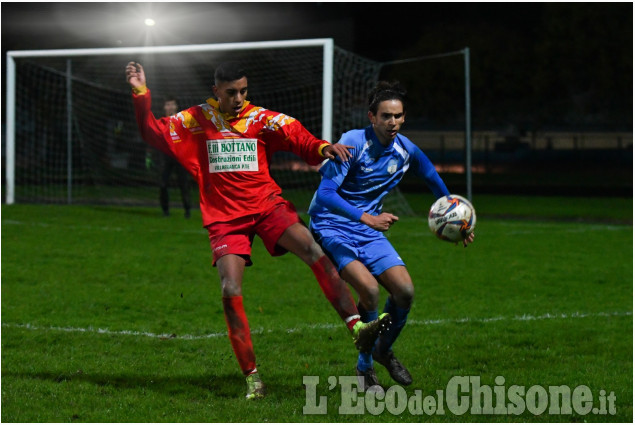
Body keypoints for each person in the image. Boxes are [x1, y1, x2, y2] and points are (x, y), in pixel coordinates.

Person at [125, 61, 391, 400]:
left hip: (266, 206)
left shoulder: (260, 118)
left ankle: (357, 327)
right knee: (229, 287)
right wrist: (140, 92)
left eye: (243, 91)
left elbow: (297, 135)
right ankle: (252, 377)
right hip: (225, 218)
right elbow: (151, 131)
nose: (239, 98)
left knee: (313, 249)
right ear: (216, 91)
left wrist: (323, 148)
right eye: (231, 92)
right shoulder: (194, 120)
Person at [308, 81, 475, 391]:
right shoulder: (353, 143)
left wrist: (456, 219)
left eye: (398, 116)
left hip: (366, 228)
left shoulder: (405, 148)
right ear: (372, 117)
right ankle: (365, 368)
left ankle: (383, 350)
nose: (393, 122)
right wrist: (367, 217)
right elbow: (326, 195)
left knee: (405, 292)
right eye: (386, 116)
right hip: (331, 224)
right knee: (369, 291)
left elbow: (431, 176)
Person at [145, 96, 192, 218]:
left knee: (183, 184)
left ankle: (187, 211)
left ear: (176, 106)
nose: (170, 107)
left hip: (180, 157)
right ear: (164, 107)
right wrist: (150, 154)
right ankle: (165, 211)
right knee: (163, 184)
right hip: (165, 158)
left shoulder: (183, 121)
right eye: (167, 105)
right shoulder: (160, 122)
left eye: (172, 104)